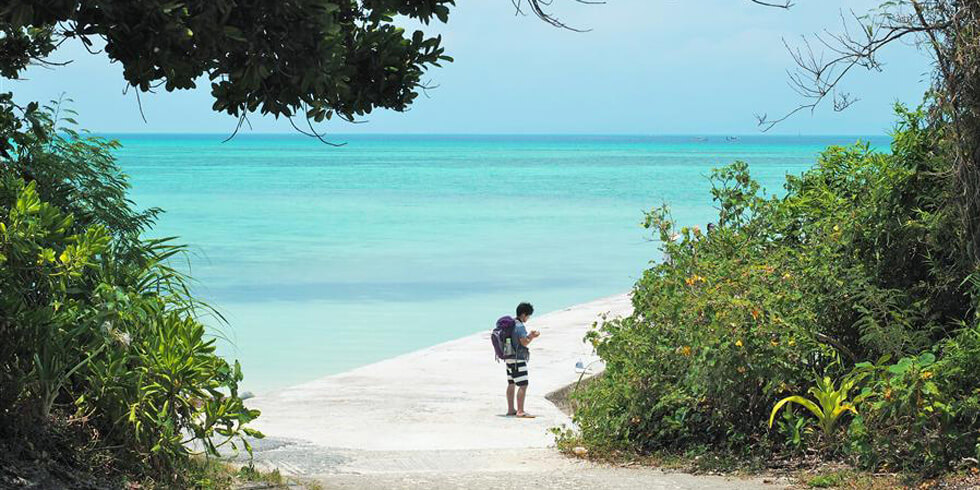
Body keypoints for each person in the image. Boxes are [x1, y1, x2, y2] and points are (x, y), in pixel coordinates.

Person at [506, 302, 540, 418]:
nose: (528, 318)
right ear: (524, 314)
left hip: (508, 358)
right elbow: (524, 342)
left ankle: (511, 409)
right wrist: (531, 336)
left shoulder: (511, 324)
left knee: (511, 384)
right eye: (528, 316)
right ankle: (520, 411)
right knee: (523, 385)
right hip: (518, 360)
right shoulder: (520, 326)